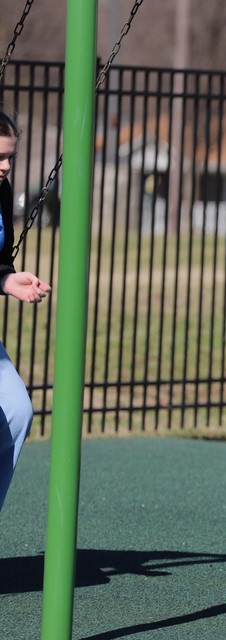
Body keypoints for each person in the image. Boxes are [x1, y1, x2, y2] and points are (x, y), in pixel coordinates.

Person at [0, 110, 51, 512]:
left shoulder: (1, 192)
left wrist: (7, 280)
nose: (5, 166)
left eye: (10, 157)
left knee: (17, 412)